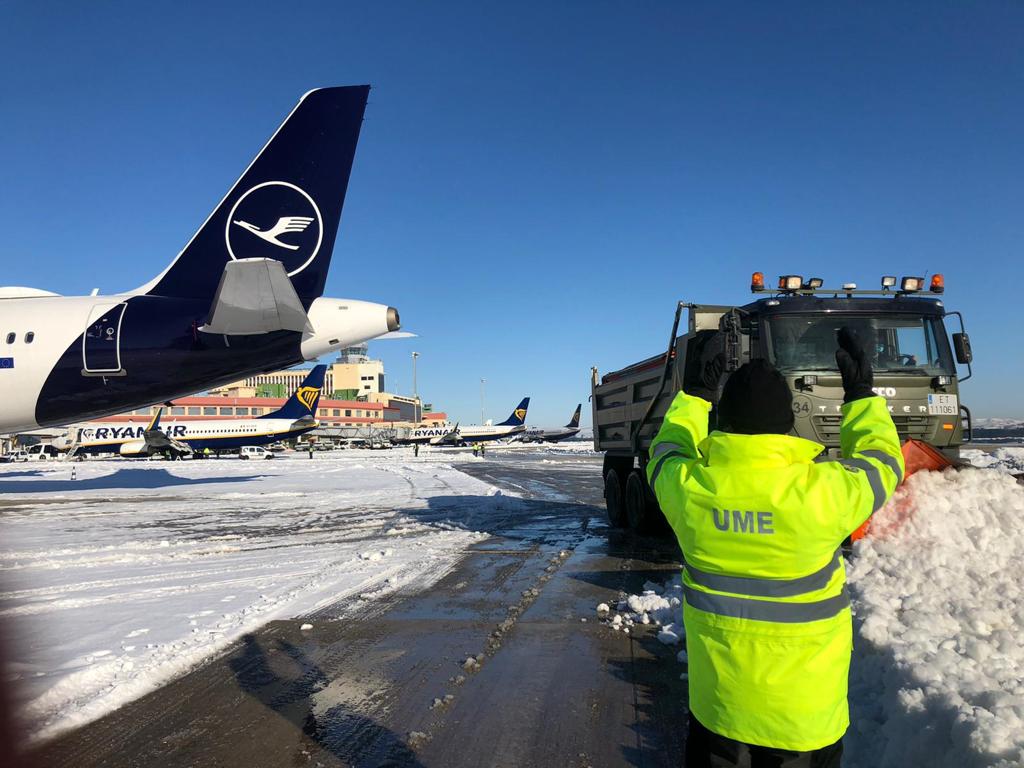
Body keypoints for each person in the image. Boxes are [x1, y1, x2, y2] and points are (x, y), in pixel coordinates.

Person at [647, 329, 903, 767]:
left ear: (724, 422)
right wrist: (860, 395)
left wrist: (694, 396)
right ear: (788, 425)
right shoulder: (825, 493)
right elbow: (884, 461)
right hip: (804, 719)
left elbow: (666, 451)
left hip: (719, 711)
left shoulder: (691, 490)